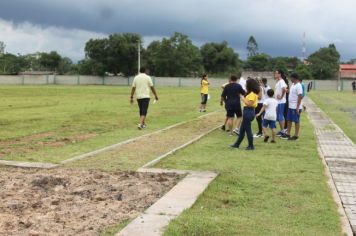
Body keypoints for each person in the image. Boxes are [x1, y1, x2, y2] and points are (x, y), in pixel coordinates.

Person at [230, 78, 260, 150]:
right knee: (242, 130)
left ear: (249, 85)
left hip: (249, 112)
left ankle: (251, 146)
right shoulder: (250, 93)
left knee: (248, 130)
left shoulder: (252, 94)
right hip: (247, 112)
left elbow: (249, 104)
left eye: (247, 84)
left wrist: (241, 98)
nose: (246, 85)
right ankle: (236, 144)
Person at [281, 73, 303, 140]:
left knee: (296, 121)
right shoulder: (293, 85)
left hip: (295, 107)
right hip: (290, 106)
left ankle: (296, 135)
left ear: (294, 78)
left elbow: (300, 96)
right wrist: (287, 91)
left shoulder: (299, 85)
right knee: (289, 120)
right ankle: (288, 134)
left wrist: (297, 107)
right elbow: (292, 93)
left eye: (291, 78)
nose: (290, 79)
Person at [274, 70, 288, 136]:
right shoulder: (279, 81)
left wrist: (281, 97)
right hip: (278, 102)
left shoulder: (281, 81)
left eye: (276, 73)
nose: (275, 74)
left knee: (280, 116)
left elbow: (284, 89)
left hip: (280, 101)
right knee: (279, 116)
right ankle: (282, 130)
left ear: (280, 74)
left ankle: (283, 131)